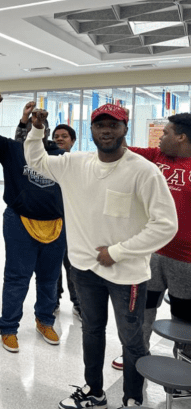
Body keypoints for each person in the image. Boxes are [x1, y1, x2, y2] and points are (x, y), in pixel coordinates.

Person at [24, 103, 178, 409]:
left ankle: (133, 398)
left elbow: (165, 225)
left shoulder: (143, 171)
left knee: (132, 340)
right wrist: (37, 130)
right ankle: (94, 391)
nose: (106, 130)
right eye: (99, 125)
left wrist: (118, 251)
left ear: (124, 128)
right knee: (92, 331)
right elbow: (36, 160)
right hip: (84, 269)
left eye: (113, 125)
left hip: (127, 273)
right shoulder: (75, 164)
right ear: (91, 130)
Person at [0, 93, 66, 351]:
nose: (37, 130)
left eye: (41, 127)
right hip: (20, 222)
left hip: (55, 225)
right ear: (25, 131)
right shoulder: (12, 150)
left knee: (50, 279)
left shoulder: (60, 156)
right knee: (17, 278)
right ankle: (8, 327)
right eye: (31, 126)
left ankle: (45, 320)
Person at [111, 113, 191, 373]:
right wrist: (120, 124)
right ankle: (135, 353)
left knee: (184, 317)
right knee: (142, 309)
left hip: (186, 260)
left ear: (181, 136)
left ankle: (184, 364)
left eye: (166, 132)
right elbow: (120, 148)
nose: (161, 136)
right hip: (151, 253)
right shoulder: (156, 157)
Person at [15, 103, 81, 319]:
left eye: (65, 136)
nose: (60, 139)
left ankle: (78, 303)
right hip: (50, 222)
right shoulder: (47, 158)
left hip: (70, 222)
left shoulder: (76, 162)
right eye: (57, 136)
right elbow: (22, 144)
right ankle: (53, 301)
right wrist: (26, 121)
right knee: (52, 269)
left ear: (73, 140)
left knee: (72, 265)